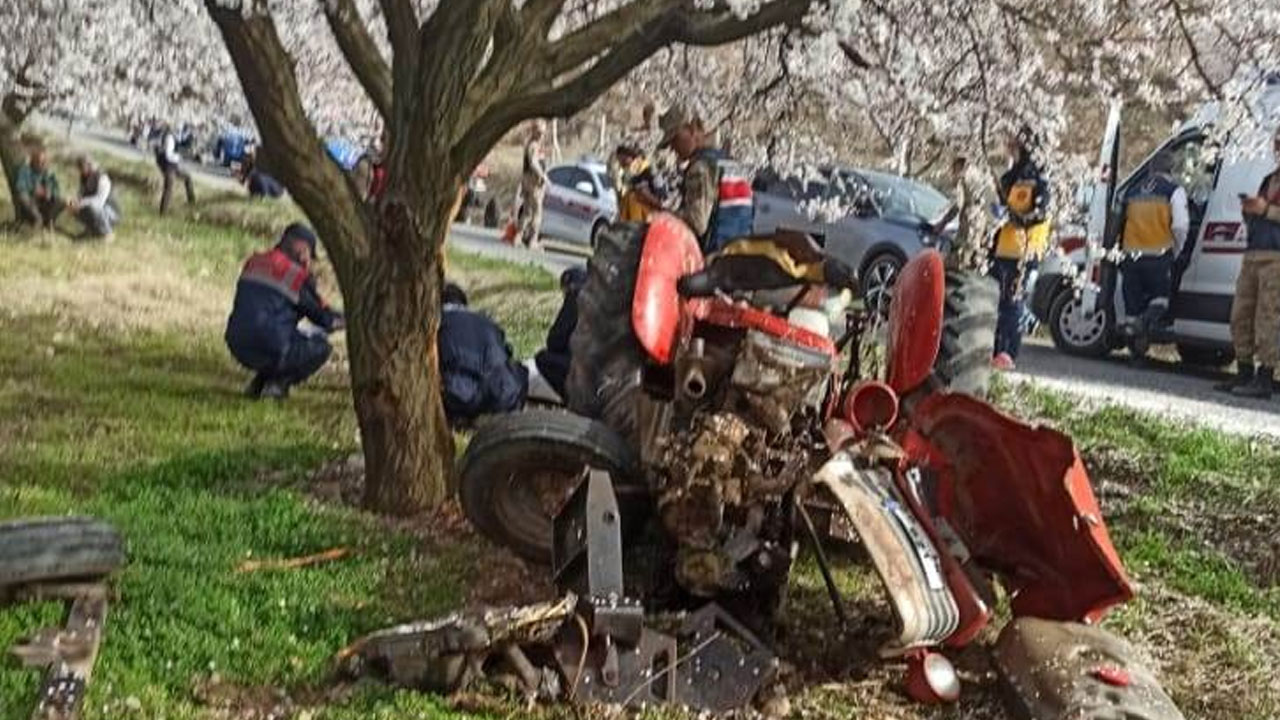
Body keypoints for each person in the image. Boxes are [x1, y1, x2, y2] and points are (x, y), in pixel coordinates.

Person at [225, 223, 344, 399]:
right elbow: (324, 319)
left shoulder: (254, 262)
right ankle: (278, 385)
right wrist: (351, 318)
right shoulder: (294, 276)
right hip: (271, 344)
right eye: (309, 256)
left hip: (237, 342)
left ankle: (259, 383)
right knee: (320, 346)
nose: (308, 262)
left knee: (281, 332)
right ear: (303, 251)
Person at [1217, 127, 1280, 398]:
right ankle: (1243, 372)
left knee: (1268, 318)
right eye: (1277, 140)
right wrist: (1250, 211)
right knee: (1240, 315)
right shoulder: (1268, 180)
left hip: (1276, 258)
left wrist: (1265, 209)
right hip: (1253, 253)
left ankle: (1264, 377)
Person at [1116, 150, 1189, 363]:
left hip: (1131, 255)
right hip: (1158, 255)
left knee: (1133, 307)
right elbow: (1181, 225)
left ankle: (1136, 356)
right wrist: (1176, 250)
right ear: (1171, 170)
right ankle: (1143, 324)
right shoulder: (1174, 191)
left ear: (1150, 168)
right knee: (1161, 301)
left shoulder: (1133, 190)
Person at [989, 127, 1051, 371]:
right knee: (997, 302)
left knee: (1012, 304)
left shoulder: (1040, 177)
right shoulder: (1011, 176)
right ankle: (994, 349)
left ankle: (1007, 352)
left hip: (1025, 251)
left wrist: (1014, 216)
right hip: (1002, 249)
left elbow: (1040, 212)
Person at [657, 104, 753, 254]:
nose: (673, 148)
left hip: (715, 256)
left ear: (692, 129)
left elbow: (697, 222)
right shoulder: (731, 164)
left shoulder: (701, 167)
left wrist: (666, 214)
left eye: (675, 139)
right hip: (740, 252)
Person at [438, 283, 528, 426]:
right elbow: (507, 352)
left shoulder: (438, 323)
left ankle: (463, 417)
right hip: (502, 395)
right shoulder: (488, 321)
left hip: (461, 397)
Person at [534, 266, 588, 399]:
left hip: (580, 367)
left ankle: (571, 399)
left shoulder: (575, 298)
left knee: (542, 357)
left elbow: (555, 341)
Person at [67, 156, 121, 239]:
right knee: (72, 208)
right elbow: (81, 195)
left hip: (109, 212)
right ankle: (91, 231)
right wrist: (73, 203)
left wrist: (80, 204)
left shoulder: (102, 179)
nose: (81, 171)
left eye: (82, 167)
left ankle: (107, 233)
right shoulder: (84, 179)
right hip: (94, 207)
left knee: (91, 209)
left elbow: (100, 201)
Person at [14, 145, 62, 229]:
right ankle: (37, 219)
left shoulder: (49, 173)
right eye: (39, 162)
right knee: (23, 196)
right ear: (33, 161)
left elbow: (57, 190)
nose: (41, 164)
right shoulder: (25, 170)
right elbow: (20, 187)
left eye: (44, 162)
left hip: (46, 202)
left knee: (64, 200)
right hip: (31, 203)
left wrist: (50, 192)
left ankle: (49, 221)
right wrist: (33, 190)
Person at [615, 144, 666, 222]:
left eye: (624, 161)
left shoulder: (651, 172)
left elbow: (662, 202)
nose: (623, 166)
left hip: (651, 218)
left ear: (632, 156)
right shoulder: (633, 178)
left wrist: (647, 196)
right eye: (621, 163)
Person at [517, 121, 549, 248]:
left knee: (527, 211)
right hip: (534, 181)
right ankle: (532, 240)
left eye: (543, 132)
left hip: (527, 180)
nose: (542, 135)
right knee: (537, 212)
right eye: (540, 132)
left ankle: (518, 237)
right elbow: (533, 162)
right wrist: (543, 176)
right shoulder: (533, 145)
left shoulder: (532, 144)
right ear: (535, 131)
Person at [155, 123, 195, 213]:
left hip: (173, 166)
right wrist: (180, 154)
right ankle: (163, 212)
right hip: (169, 166)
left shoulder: (171, 136)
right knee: (168, 189)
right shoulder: (169, 138)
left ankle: (192, 202)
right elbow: (168, 155)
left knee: (187, 178)